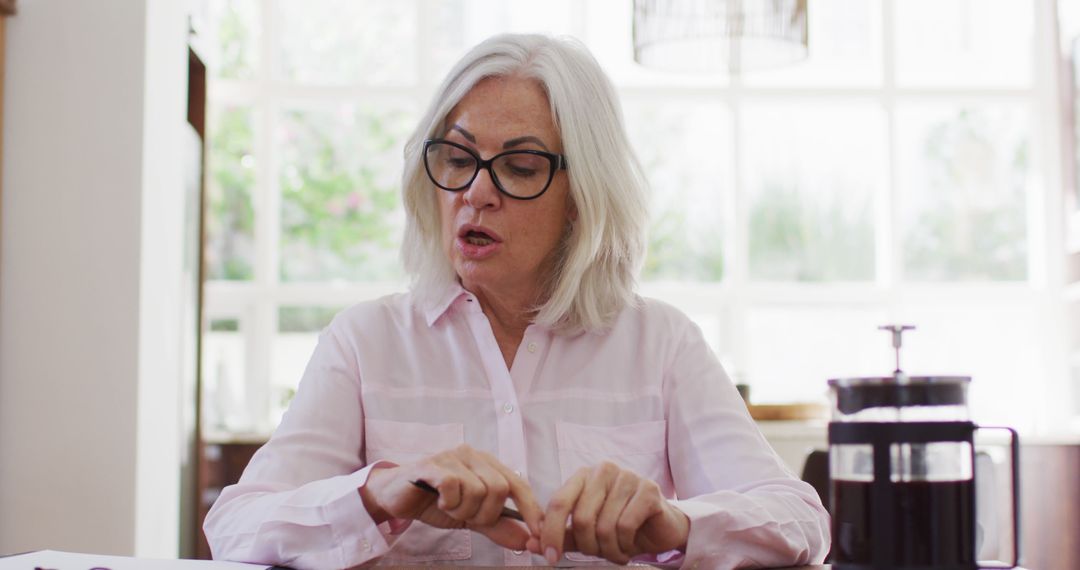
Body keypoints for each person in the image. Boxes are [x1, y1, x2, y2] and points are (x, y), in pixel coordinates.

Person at [204, 33, 830, 569]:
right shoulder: (365, 341)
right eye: (457, 156)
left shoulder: (661, 343)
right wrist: (376, 494)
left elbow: (800, 520)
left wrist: (674, 525)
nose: (476, 191)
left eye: (520, 167)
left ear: (583, 194)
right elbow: (235, 525)